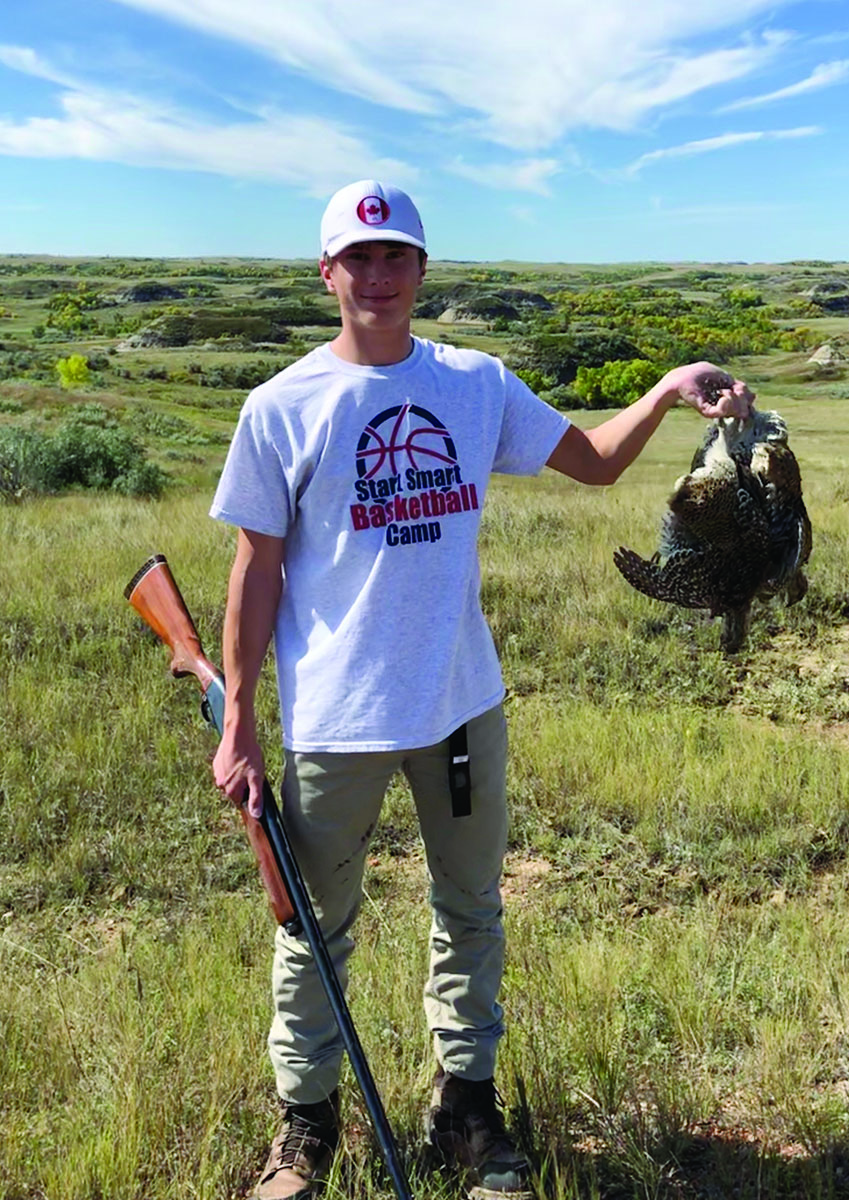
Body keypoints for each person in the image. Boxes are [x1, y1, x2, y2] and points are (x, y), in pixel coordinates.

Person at [210, 179, 754, 1200]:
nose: (378, 276)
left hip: (459, 704)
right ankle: (307, 1127)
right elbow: (257, 569)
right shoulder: (280, 406)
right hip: (337, 717)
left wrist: (671, 385)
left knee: (470, 910)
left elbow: (591, 462)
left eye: (396, 256)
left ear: (422, 270)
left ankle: (466, 1112)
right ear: (327, 272)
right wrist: (238, 718)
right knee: (312, 927)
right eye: (358, 258)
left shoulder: (474, 383)